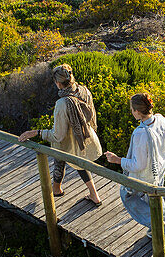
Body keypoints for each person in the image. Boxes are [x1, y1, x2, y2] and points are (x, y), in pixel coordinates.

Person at [18, 65, 102, 204]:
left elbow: (58, 135)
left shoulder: (62, 103)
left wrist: (35, 133)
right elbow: (92, 116)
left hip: (74, 141)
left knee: (70, 156)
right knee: (61, 151)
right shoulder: (83, 90)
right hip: (86, 135)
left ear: (57, 83)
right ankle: (56, 188)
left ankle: (94, 195)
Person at [104, 92, 165, 238]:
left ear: (137, 111)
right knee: (156, 198)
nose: (131, 112)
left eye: (132, 109)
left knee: (127, 196)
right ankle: (162, 230)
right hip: (159, 169)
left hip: (145, 176)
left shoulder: (141, 133)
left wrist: (117, 160)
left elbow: (137, 165)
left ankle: (157, 225)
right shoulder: (160, 119)